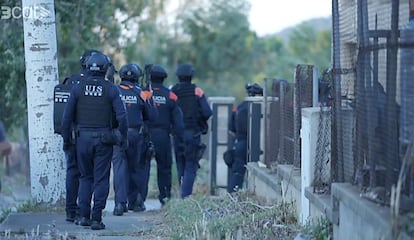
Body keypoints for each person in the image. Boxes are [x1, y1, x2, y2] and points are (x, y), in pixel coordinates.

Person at [61, 52, 128, 230]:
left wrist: (67, 141)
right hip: (104, 140)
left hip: (82, 140)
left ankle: (84, 217)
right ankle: (96, 218)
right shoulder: (111, 89)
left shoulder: (77, 87)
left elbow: (66, 118)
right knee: (101, 179)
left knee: (85, 178)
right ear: (106, 69)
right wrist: (122, 137)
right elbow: (122, 116)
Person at [55, 49, 101, 224]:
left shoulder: (70, 81)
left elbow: (63, 114)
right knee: (88, 175)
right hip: (87, 135)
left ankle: (70, 211)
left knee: (72, 172)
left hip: (72, 134)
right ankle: (84, 212)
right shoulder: (98, 83)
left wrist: (65, 137)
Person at [112, 63, 157, 215]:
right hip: (136, 135)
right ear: (137, 77)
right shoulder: (142, 93)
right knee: (137, 168)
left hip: (118, 134)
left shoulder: (115, 90)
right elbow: (153, 116)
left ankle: (119, 204)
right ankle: (136, 202)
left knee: (119, 168)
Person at [171, 63, 212, 198]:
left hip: (177, 134)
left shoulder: (173, 91)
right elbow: (207, 112)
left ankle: (181, 193)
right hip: (193, 134)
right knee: (191, 164)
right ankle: (185, 196)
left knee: (180, 163)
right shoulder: (197, 91)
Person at [146, 64, 185, 206]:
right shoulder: (170, 95)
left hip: (145, 135)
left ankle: (137, 199)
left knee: (141, 167)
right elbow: (178, 122)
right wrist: (179, 139)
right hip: (163, 136)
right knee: (164, 168)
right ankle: (165, 197)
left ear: (150, 77)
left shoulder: (144, 93)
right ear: (164, 79)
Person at [227, 83, 263, 193]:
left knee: (237, 173)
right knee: (254, 174)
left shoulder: (239, 107)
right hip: (255, 144)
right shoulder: (260, 107)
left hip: (240, 143)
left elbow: (231, 129)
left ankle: (232, 196)